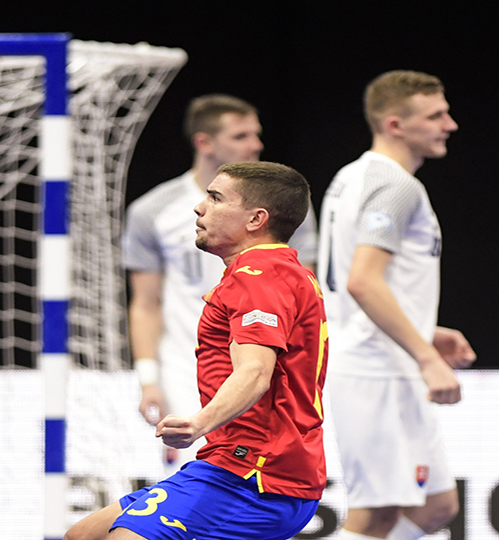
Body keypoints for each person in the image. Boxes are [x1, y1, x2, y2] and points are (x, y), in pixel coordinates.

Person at [67, 161, 328, 540]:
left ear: (256, 219)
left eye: (216, 198)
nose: (199, 207)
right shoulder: (281, 270)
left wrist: (198, 424)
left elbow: (255, 371)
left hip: (257, 476)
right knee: (84, 535)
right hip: (240, 465)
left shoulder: (258, 277)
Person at [317, 71, 476, 540]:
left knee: (436, 507)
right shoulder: (398, 186)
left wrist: (425, 330)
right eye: (435, 115)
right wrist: (427, 358)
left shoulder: (350, 176)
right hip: (376, 370)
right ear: (394, 124)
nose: (450, 124)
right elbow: (363, 281)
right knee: (376, 517)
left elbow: (360, 283)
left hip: (381, 357)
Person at [123, 94, 318, 475]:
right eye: (241, 135)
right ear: (204, 142)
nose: (255, 145)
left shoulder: (281, 207)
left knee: (258, 483)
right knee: (192, 484)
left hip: (268, 360)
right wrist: (148, 378)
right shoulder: (153, 211)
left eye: (256, 134)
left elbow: (306, 291)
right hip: (189, 365)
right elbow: (146, 303)